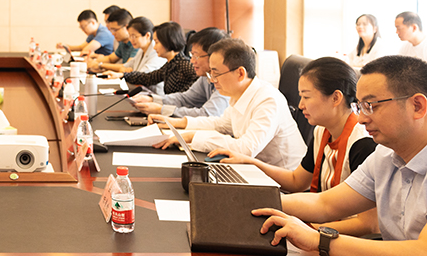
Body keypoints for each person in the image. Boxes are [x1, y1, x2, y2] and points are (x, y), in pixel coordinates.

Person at [254, 55, 427, 256]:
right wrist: (247, 202)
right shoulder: (384, 156)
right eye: (360, 106)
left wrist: (319, 240)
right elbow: (326, 203)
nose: (361, 118)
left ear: (417, 106)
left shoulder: (367, 145)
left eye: (371, 106)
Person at [210, 57, 377, 195]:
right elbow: (297, 181)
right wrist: (249, 162)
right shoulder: (321, 131)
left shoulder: (362, 142)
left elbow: (366, 221)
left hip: (336, 223)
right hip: (321, 216)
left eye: (306, 97)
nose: (301, 105)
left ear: (335, 98)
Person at [152, 38, 306, 170]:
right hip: (253, 171)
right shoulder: (238, 95)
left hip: (282, 183)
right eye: (211, 73)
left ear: (240, 73)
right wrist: (178, 123)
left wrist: (193, 136)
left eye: (216, 73)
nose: (212, 80)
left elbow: (246, 149)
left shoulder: (268, 100)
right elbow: (221, 125)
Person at [131, 27, 229, 118]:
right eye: (191, 55)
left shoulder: (225, 81)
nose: (192, 61)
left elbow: (208, 114)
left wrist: (161, 110)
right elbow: (185, 98)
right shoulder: (205, 76)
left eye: (196, 56)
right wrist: (152, 99)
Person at [122, 21, 196, 95]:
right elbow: (148, 78)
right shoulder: (170, 64)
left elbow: (188, 96)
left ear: (168, 42)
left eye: (157, 42)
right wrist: (123, 75)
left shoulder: (186, 65)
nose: (154, 47)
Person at [87, 8, 135, 73]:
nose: (112, 33)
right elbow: (110, 59)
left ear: (126, 27)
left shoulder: (136, 43)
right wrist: (92, 62)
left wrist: (100, 65)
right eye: (111, 30)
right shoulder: (123, 43)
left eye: (115, 30)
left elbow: (127, 67)